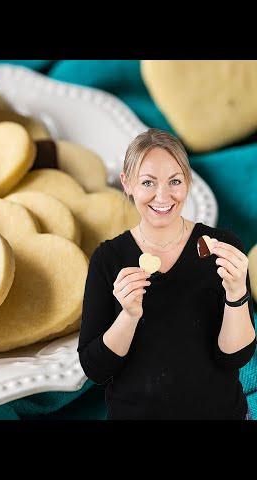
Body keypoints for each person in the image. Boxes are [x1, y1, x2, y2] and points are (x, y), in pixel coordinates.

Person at [78, 128, 256, 420]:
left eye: (175, 181)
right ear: (127, 183)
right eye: (148, 182)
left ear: (188, 183)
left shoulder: (222, 249)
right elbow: (95, 369)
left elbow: (235, 358)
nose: (163, 196)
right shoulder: (108, 259)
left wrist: (236, 294)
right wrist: (129, 315)